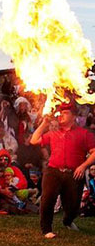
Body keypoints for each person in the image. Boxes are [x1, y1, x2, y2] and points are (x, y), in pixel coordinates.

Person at [30, 102, 95, 238]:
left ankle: (68, 220)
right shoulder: (53, 133)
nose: (61, 116)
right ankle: (46, 229)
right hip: (53, 171)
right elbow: (34, 140)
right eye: (61, 113)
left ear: (74, 116)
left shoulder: (84, 134)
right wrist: (44, 123)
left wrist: (83, 166)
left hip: (74, 174)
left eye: (65, 113)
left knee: (73, 206)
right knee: (47, 199)